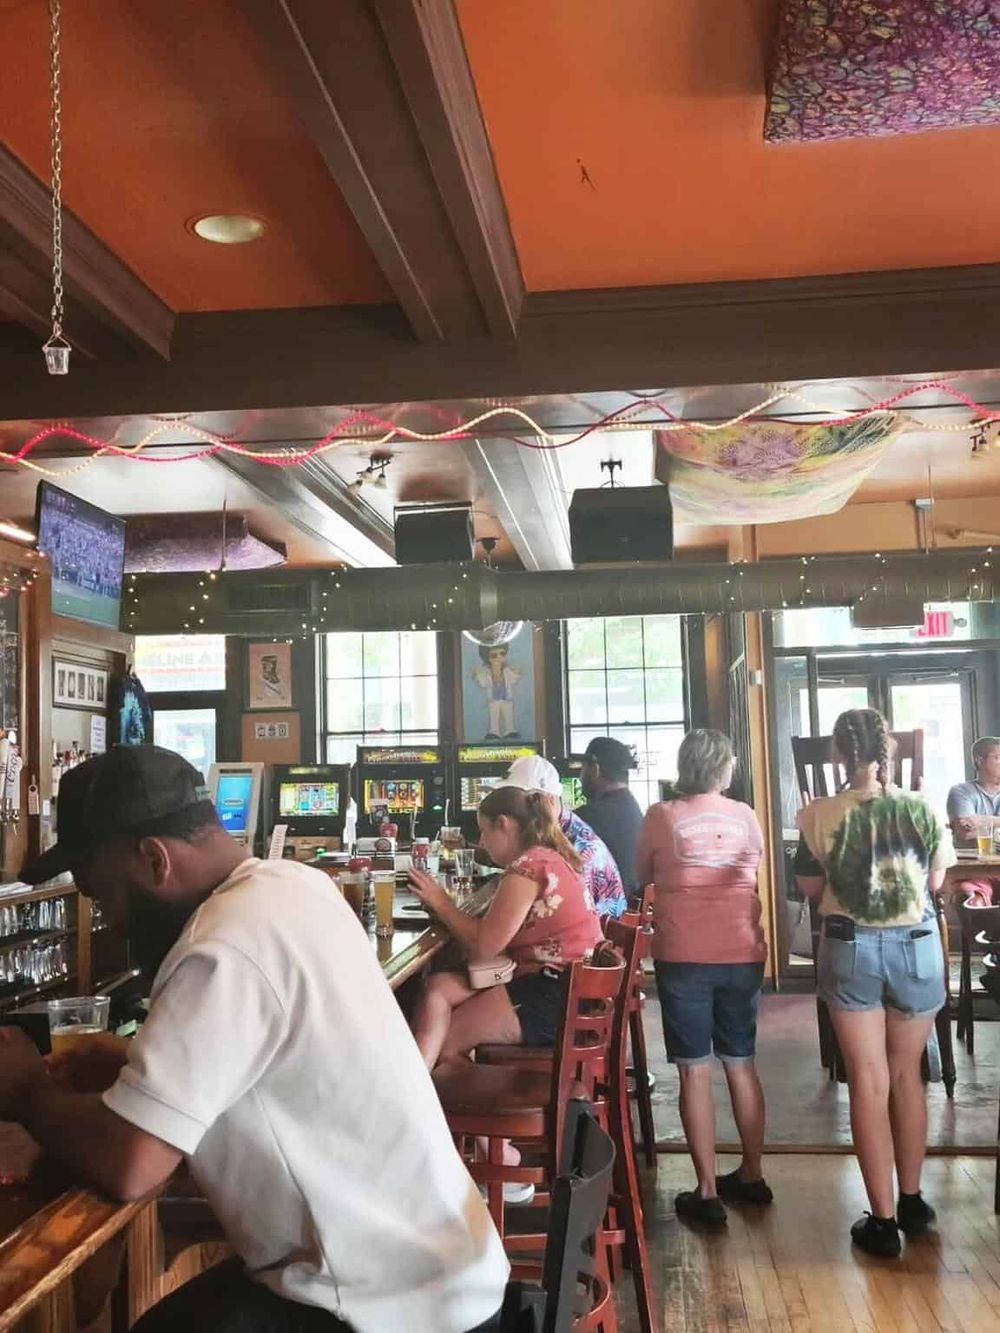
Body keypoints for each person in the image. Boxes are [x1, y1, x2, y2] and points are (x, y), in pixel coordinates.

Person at [0, 746, 507, 1333]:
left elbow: (132, 1163)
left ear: (154, 860)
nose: (108, 917)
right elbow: (265, 1067)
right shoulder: (294, 885)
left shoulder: (221, 946)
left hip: (380, 1306)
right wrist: (131, 1063)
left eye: (101, 893)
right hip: (441, 1275)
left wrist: (25, 1090)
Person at [795, 708, 955, 1259]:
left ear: (839, 754)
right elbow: (936, 881)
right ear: (887, 751)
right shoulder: (922, 808)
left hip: (851, 946)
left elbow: (811, 887)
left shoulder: (816, 814)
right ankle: (914, 1201)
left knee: (869, 1079)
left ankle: (882, 1222)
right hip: (917, 947)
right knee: (908, 1076)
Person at [637, 729, 769, 1227]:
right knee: (741, 1062)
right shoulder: (747, 817)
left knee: (694, 1068)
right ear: (726, 769)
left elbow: (643, 875)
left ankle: (708, 1191)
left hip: (684, 952)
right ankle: (753, 1176)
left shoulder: (662, 816)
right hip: (742, 949)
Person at [409, 784, 602, 1070]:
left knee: (447, 1041)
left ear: (504, 824)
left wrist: (441, 902)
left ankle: (463, 1109)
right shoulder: (547, 855)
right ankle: (416, 1088)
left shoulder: (528, 867)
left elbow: (485, 946)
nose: (482, 842)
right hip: (570, 984)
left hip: (557, 995)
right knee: (438, 987)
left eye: (484, 832)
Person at [500, 754, 627, 919]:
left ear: (550, 801)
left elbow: (566, 919)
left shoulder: (579, 848)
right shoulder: (553, 833)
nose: (514, 811)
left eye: (525, 803)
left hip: (598, 941)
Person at [576, 737, 645, 895]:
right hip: (626, 912)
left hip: (603, 915)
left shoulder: (587, 817)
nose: (581, 776)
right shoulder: (632, 808)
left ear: (595, 768)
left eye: (583, 768)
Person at [946, 736, 1000, 905]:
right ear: (979, 761)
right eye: (998, 758)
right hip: (975, 871)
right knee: (971, 901)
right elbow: (966, 833)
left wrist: (981, 820)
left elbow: (975, 827)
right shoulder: (961, 792)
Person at [470, 644, 522, 740]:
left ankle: (510, 730)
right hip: (494, 699)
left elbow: (513, 680)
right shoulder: (487, 673)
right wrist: (477, 676)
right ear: (488, 658)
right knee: (494, 715)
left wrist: (517, 674)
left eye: (502, 654)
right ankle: (494, 731)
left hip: (506, 698)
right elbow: (484, 683)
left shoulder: (507, 671)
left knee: (508, 714)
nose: (499, 658)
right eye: (494, 655)